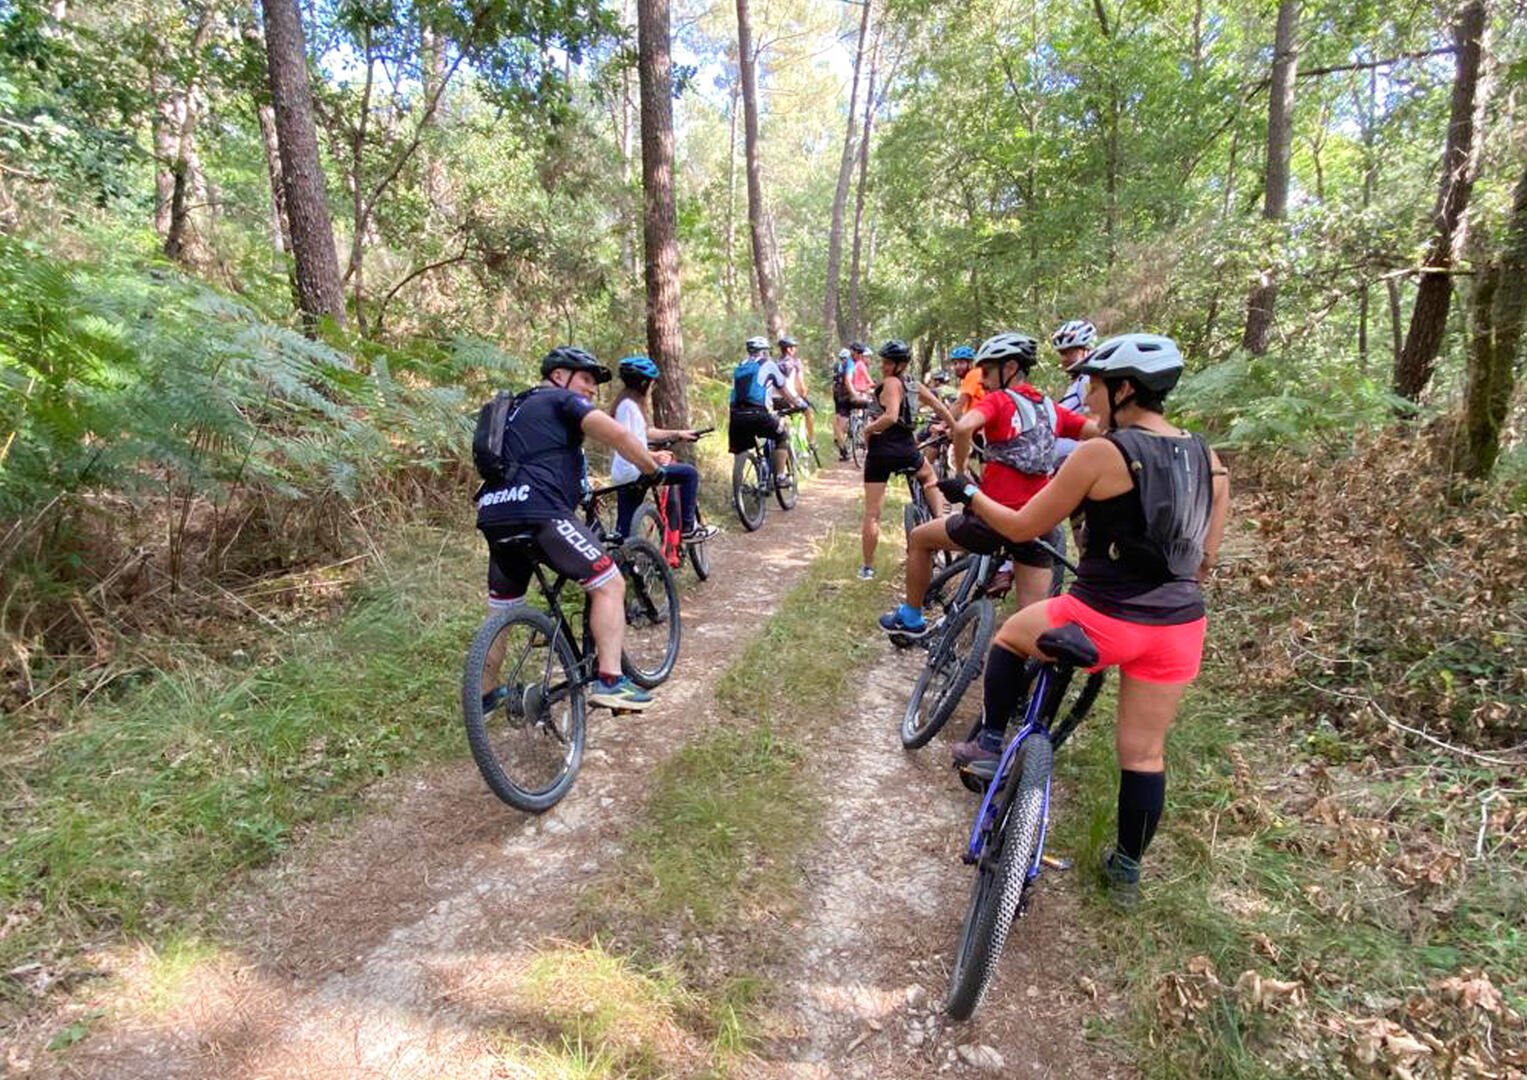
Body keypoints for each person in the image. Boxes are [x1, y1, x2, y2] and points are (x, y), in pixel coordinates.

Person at [936, 333, 1230, 909]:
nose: (1088, 400)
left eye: (1095, 387)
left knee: (1010, 634)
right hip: (1178, 629)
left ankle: (992, 739)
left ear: (1123, 389)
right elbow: (1208, 554)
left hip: (1101, 616)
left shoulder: (1106, 453)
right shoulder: (1208, 457)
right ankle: (1125, 871)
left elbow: (1022, 527)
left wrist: (969, 492)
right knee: (1145, 754)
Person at [476, 346, 670, 711]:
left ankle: (485, 695)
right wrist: (651, 468)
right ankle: (610, 682)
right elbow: (620, 438)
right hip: (539, 511)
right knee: (609, 582)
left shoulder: (514, 409)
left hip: (493, 514)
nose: (592, 389)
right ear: (559, 376)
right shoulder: (561, 400)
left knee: (501, 611)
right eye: (586, 378)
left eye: (595, 383)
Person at [879, 331, 1100, 638]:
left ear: (1009, 368)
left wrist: (959, 470)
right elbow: (1096, 431)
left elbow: (964, 426)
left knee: (919, 538)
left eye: (986, 371)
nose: (980, 380)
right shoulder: (1051, 408)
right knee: (1032, 623)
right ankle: (1031, 678)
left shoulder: (1000, 400)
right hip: (1039, 524)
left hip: (992, 520)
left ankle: (912, 618)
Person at [858, 339, 955, 581]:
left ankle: (868, 567)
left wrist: (868, 429)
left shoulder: (890, 383)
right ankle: (942, 524)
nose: (884, 366)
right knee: (929, 475)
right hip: (904, 448)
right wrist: (955, 426)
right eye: (883, 361)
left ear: (900, 364)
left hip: (881, 450)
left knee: (872, 513)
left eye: (888, 362)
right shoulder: (914, 384)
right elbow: (939, 406)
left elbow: (890, 417)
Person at [608, 355, 716, 542]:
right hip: (635, 470)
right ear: (643, 383)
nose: (652, 387)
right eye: (651, 382)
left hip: (624, 473)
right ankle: (688, 528)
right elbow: (626, 444)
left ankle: (623, 562)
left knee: (624, 530)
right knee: (689, 474)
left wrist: (679, 434)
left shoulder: (627, 403)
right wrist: (653, 456)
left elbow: (646, 432)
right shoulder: (629, 407)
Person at [729, 335, 806, 486]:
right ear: (764, 351)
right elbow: (784, 390)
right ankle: (780, 476)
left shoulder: (740, 366)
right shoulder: (769, 365)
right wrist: (799, 403)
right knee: (781, 435)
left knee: (740, 450)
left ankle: (737, 492)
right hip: (758, 414)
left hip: (736, 416)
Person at [1051, 319, 1097, 468]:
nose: (1064, 359)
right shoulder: (1079, 381)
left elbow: (1094, 422)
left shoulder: (1088, 380)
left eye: (1069, 352)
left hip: (1075, 456)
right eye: (1061, 353)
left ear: (1086, 349)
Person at [832, 346, 872, 459]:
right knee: (870, 407)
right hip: (848, 397)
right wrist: (855, 393)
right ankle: (864, 437)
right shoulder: (850, 363)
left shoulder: (843, 364)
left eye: (861, 353)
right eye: (858, 353)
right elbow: (848, 381)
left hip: (840, 397)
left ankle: (843, 450)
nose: (860, 356)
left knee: (839, 423)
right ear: (853, 352)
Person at [776, 335, 816, 446]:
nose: (795, 349)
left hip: (775, 401)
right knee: (808, 412)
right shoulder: (795, 362)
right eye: (794, 347)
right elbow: (800, 385)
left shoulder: (775, 363)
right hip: (790, 399)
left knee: (781, 415)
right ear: (788, 349)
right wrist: (804, 396)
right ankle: (812, 441)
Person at [951, 344, 984, 418]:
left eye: (961, 363)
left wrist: (943, 423)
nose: (957, 366)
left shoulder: (973, 374)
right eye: (955, 363)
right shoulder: (973, 375)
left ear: (970, 363)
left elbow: (959, 403)